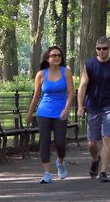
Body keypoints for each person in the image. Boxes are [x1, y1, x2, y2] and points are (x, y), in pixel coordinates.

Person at [77, 36, 110, 183]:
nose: (101, 51)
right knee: (92, 143)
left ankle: (103, 172)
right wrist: (80, 106)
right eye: (99, 49)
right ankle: (95, 159)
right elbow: (82, 87)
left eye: (104, 49)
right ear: (96, 49)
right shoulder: (89, 65)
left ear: (109, 49)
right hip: (93, 106)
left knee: (106, 138)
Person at [26, 45, 74, 183]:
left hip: (60, 112)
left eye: (59, 55)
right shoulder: (41, 74)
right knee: (45, 141)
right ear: (48, 58)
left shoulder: (66, 72)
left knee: (60, 142)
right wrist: (30, 114)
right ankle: (47, 173)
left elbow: (71, 93)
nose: (57, 57)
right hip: (43, 111)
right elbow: (36, 96)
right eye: (54, 55)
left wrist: (66, 109)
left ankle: (60, 162)